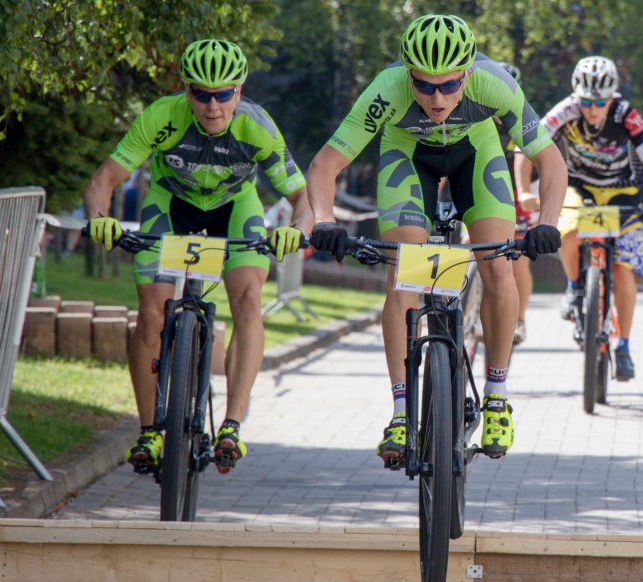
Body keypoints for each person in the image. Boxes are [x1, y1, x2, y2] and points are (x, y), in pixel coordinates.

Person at [306, 14, 566, 463]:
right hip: (408, 156)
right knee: (404, 273)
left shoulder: (494, 83)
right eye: (424, 86)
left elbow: (550, 160)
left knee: (497, 266)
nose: (438, 98)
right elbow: (325, 164)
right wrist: (325, 220)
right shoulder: (387, 89)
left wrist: (547, 222)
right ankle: (401, 411)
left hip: (474, 154)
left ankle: (497, 396)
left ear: (468, 73)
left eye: (449, 85)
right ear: (408, 75)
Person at [83, 39, 312, 475]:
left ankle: (232, 426)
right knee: (151, 312)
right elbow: (103, 180)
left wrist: (296, 231)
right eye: (201, 94)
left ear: (239, 91)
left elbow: (302, 197)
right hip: (171, 204)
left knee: (248, 298)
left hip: (234, 207)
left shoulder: (257, 126)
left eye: (224, 94)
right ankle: (149, 431)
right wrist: (99, 218)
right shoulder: (161, 116)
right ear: (185, 90)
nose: (212, 106)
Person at [515, 55, 643, 381]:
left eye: (600, 102)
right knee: (568, 228)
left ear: (611, 97)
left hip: (622, 193)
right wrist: (522, 191)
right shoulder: (566, 110)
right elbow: (526, 146)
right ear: (577, 96)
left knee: (623, 271)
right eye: (586, 101)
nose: (592, 109)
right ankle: (574, 287)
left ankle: (624, 346)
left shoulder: (626, 114)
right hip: (580, 188)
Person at [494, 61, 536, 346]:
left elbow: (527, 157)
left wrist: (525, 194)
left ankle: (519, 319)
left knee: (518, 259)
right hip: (481, 189)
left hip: (517, 194)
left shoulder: (521, 119)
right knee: (466, 246)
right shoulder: (471, 114)